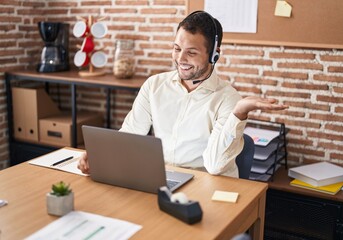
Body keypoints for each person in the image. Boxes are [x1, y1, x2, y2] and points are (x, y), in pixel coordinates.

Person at [78, 11, 288, 177]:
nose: (181, 59)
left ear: (214, 55)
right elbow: (131, 135)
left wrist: (239, 113)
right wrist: (101, 156)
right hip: (162, 180)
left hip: (208, 185)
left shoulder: (228, 99)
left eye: (192, 52)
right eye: (177, 49)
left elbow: (215, 166)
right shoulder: (154, 85)